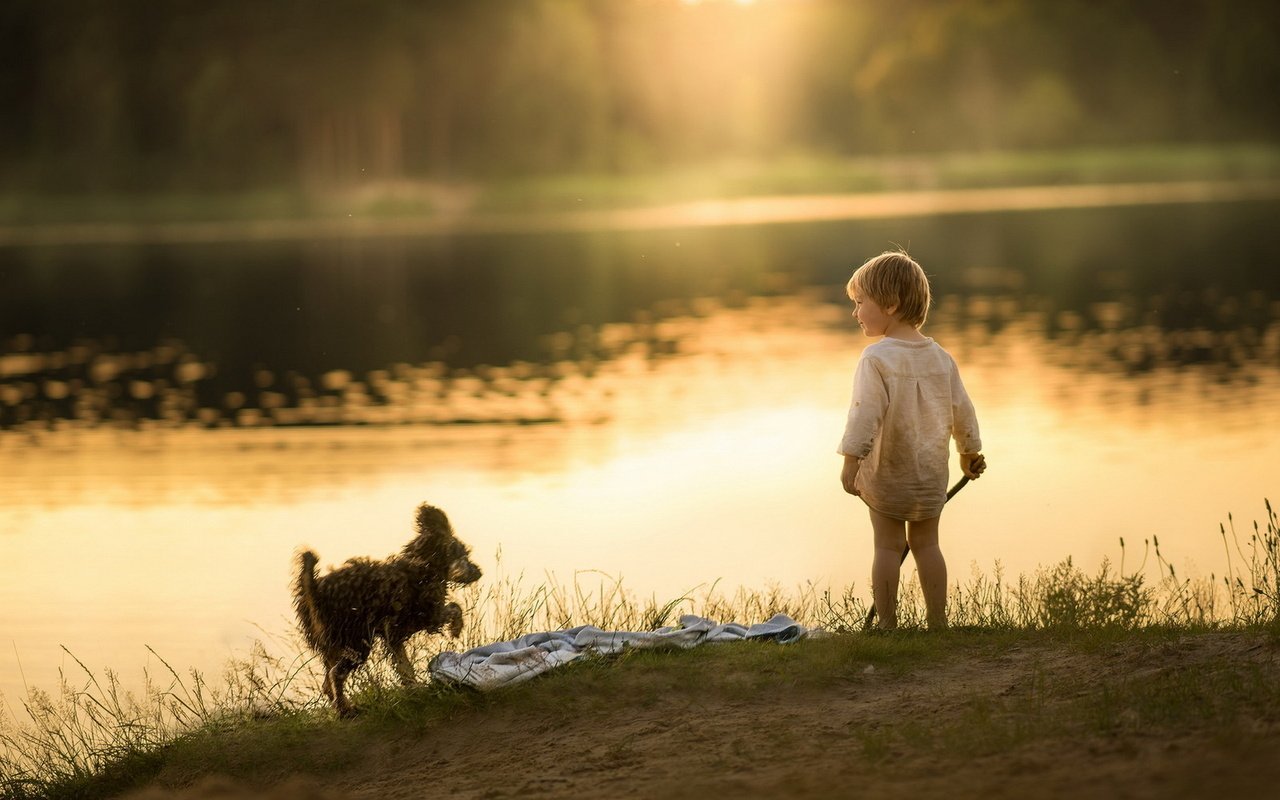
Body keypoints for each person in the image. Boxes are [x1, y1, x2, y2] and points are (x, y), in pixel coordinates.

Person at [837, 250, 985, 630]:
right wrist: (969, 451)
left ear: (890, 304)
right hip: (929, 474)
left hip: (888, 472)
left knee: (887, 546)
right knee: (927, 545)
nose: (855, 313)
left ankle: (888, 626)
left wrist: (851, 460)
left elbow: (863, 414)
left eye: (860, 303)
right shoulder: (941, 358)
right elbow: (962, 410)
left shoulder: (876, 358)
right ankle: (938, 624)